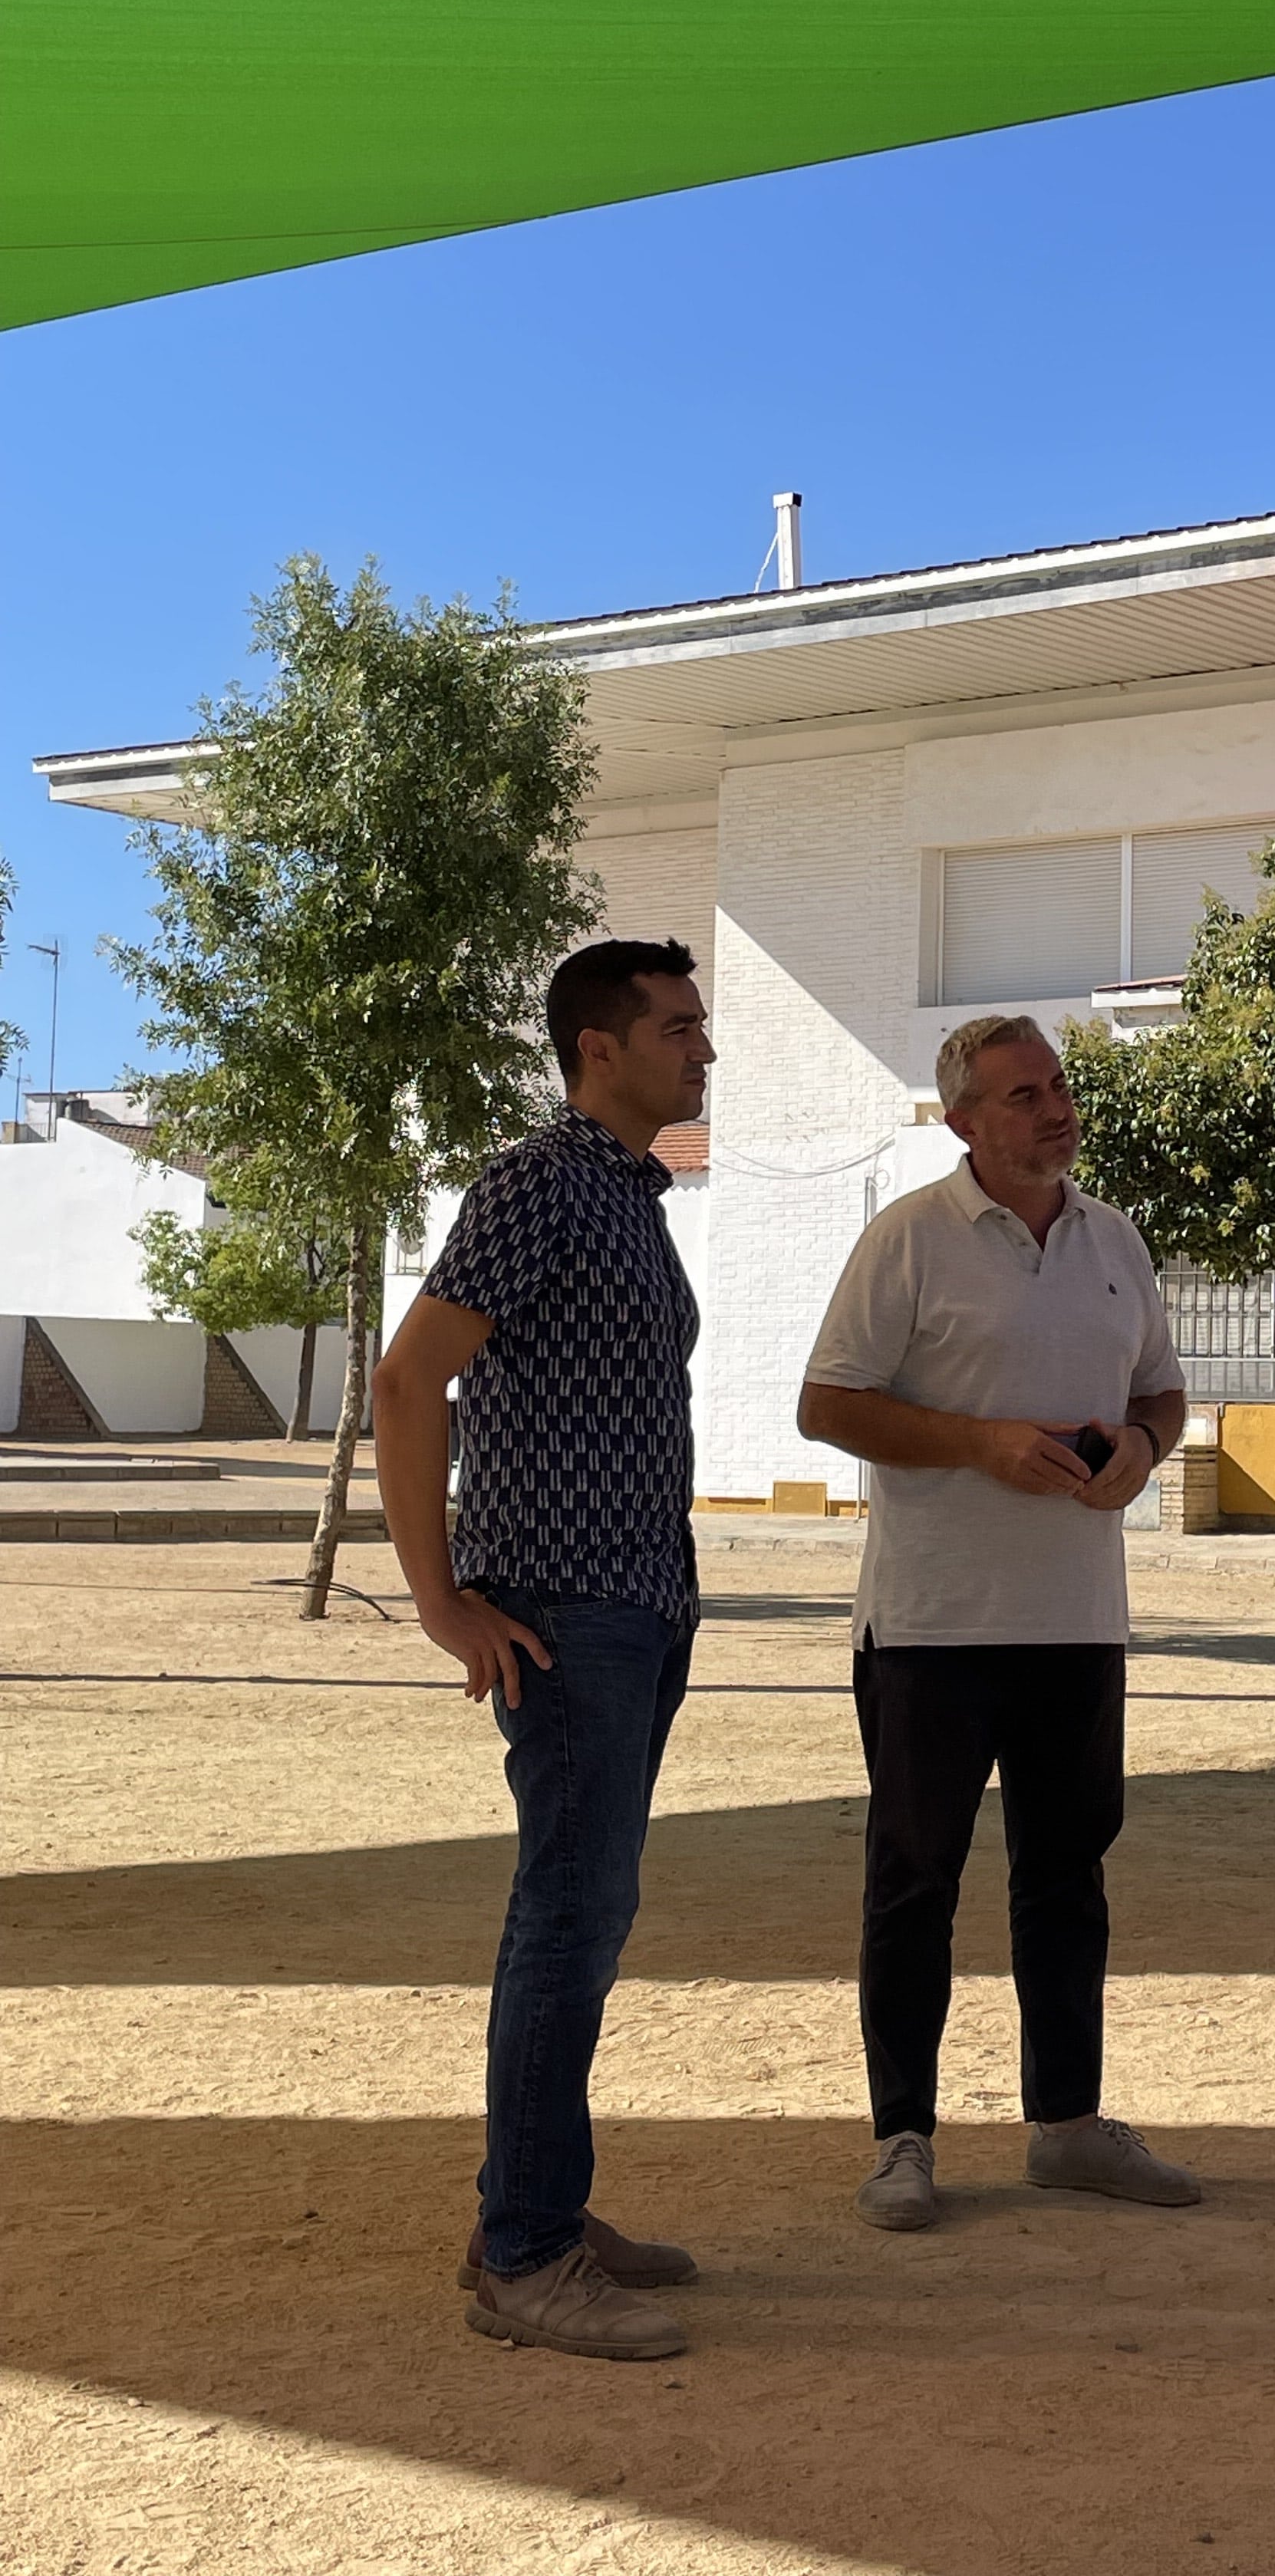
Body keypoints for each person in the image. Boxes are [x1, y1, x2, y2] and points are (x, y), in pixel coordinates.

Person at [798, 1012, 1198, 2232]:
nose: (1054, 1109)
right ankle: (902, 2141)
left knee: (1067, 1877)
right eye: (1024, 1095)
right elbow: (827, 1404)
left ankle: (1067, 2127)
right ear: (965, 1121)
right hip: (933, 1625)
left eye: (1058, 1086)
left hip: (1076, 1622)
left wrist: (1142, 1444)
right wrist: (979, 1443)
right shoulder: (907, 1241)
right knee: (915, 1882)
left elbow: (1162, 1391)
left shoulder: (1113, 1238)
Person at [374, 935, 715, 2363]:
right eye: (680, 1027)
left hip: (641, 1605)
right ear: (600, 1048)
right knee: (565, 1925)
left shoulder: (631, 1195)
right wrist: (439, 1598)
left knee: (589, 1918)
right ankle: (523, 2256)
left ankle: (538, 2214)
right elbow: (407, 1379)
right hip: (569, 1614)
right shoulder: (537, 1185)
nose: (704, 1049)